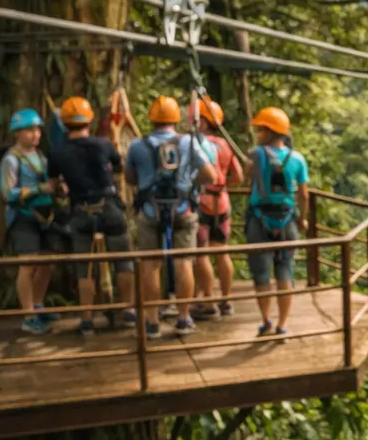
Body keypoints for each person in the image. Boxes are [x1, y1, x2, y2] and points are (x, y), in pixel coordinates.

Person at [48, 96, 139, 338]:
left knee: (84, 268)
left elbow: (54, 185)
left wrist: (63, 188)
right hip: (108, 207)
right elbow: (119, 166)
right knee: (123, 260)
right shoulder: (103, 144)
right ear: (88, 120)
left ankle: (87, 319)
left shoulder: (57, 152)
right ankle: (129, 310)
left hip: (80, 211)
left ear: (64, 123)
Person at [125, 95, 215, 338]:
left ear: (151, 119)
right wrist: (190, 183)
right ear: (175, 119)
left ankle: (152, 321)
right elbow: (210, 175)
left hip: (150, 211)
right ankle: (184, 317)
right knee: (184, 262)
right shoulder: (189, 143)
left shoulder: (136, 146)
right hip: (183, 209)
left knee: (150, 265)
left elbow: (130, 179)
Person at [244, 107, 309, 336]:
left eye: (261, 129)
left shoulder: (256, 154)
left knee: (261, 274)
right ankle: (282, 325)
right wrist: (303, 219)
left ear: (270, 132)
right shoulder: (298, 159)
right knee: (285, 273)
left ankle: (266, 321)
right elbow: (303, 194)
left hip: (259, 220)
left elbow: (246, 178)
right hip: (287, 221)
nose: (258, 133)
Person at [0, 108, 59, 334]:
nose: (35, 134)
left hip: (44, 215)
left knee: (46, 264)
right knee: (27, 265)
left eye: (37, 130)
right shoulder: (11, 160)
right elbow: (7, 193)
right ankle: (28, 315)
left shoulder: (40, 156)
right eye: (29, 130)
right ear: (17, 133)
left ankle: (39, 305)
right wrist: (38, 188)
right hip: (24, 216)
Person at [191, 97, 246, 320]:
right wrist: (223, 185)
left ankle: (208, 300)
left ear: (204, 122)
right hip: (222, 202)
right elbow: (239, 176)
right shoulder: (226, 145)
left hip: (203, 201)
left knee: (202, 253)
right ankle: (227, 299)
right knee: (222, 251)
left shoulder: (197, 144)